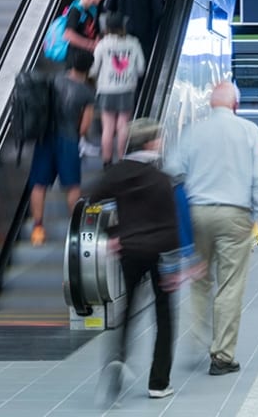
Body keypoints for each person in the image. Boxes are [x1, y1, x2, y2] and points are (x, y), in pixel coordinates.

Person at [177, 81, 258, 376]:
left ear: (210, 103)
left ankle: (198, 339)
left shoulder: (193, 131)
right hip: (234, 213)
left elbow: (175, 172)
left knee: (200, 279)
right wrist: (255, 215)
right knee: (230, 284)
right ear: (235, 105)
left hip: (197, 212)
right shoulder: (249, 130)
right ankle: (222, 355)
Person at [91, 119, 179, 403]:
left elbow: (92, 202)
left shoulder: (116, 173)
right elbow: (171, 225)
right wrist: (173, 267)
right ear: (150, 142)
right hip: (159, 253)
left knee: (126, 310)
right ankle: (159, 383)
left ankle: (117, 358)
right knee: (164, 316)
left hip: (129, 250)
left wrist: (112, 234)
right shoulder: (161, 179)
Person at [28, 51, 95, 246]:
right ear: (89, 69)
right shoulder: (86, 92)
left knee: (39, 184)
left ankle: (37, 229)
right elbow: (84, 126)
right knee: (72, 186)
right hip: (68, 140)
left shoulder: (53, 80)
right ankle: (76, 231)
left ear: (72, 64)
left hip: (45, 138)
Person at [89, 12, 146, 167]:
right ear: (123, 26)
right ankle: (122, 160)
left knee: (107, 128)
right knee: (123, 126)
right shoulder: (134, 43)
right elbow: (141, 69)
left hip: (106, 90)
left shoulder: (102, 44)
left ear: (107, 27)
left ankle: (107, 163)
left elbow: (94, 69)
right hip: (127, 90)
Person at [63, 0, 104, 70]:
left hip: (87, 59)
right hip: (75, 61)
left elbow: (95, 31)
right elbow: (68, 35)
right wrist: (91, 45)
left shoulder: (93, 9)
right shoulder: (76, 9)